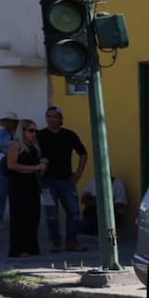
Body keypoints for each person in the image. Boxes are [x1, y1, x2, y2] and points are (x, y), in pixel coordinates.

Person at [37, 105, 88, 253]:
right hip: (47, 181)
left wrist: (78, 174)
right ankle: (56, 243)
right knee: (51, 214)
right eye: (48, 116)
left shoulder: (69, 135)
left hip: (66, 180)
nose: (51, 119)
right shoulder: (40, 135)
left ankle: (72, 242)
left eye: (54, 116)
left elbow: (83, 153)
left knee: (73, 212)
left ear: (60, 119)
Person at [4, 119, 47, 258]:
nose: (34, 134)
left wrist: (42, 162)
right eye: (31, 130)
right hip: (18, 185)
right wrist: (35, 167)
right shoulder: (15, 145)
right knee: (19, 217)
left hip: (32, 184)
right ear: (22, 131)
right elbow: (12, 165)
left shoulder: (34, 146)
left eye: (35, 131)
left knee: (33, 216)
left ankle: (31, 247)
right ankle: (18, 248)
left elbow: (35, 164)